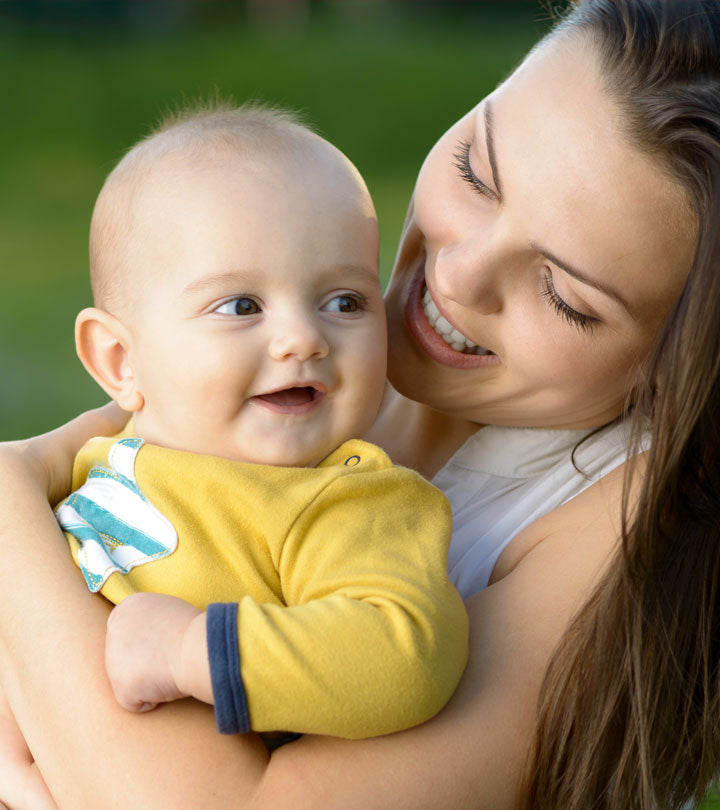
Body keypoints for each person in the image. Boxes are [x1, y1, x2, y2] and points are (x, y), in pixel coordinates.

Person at [0, 0, 718, 807]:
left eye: (562, 295)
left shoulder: (624, 522)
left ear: (683, 361)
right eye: (477, 173)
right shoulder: (316, 355)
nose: (454, 276)